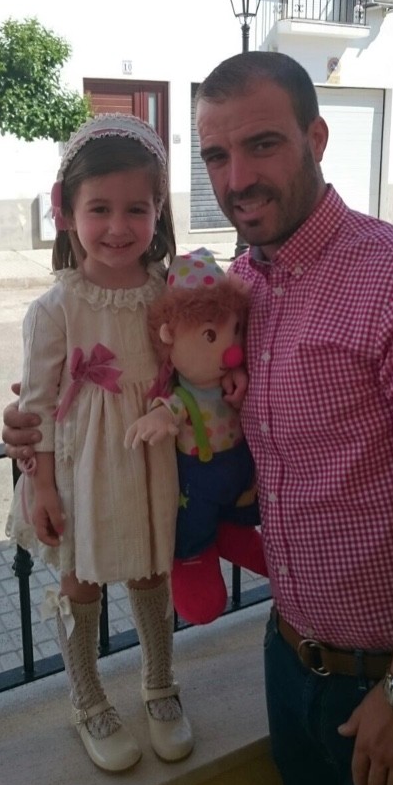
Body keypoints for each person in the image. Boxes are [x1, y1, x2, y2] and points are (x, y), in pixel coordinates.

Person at [3, 53, 393, 785]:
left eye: (262, 144)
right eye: (215, 155)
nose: (237, 178)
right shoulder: (242, 287)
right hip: (292, 663)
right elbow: (158, 385)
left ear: (317, 138)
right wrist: (40, 434)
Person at [5, 113, 193, 774]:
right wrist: (43, 487)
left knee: (151, 568)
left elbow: (189, 372)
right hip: (79, 467)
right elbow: (36, 407)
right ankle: (86, 697)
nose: (118, 226)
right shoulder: (55, 308)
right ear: (66, 211)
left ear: (159, 211)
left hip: (148, 460)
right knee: (78, 578)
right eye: (100, 208)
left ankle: (159, 683)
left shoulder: (169, 291)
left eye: (136, 208)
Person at [124, 247, 268, 625]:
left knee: (240, 516)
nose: (231, 350)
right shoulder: (185, 396)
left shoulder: (234, 380)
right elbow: (170, 407)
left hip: (237, 481)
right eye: (210, 335)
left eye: (234, 330)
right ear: (169, 336)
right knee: (194, 525)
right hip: (198, 486)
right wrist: (158, 416)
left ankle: (233, 530)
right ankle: (192, 556)